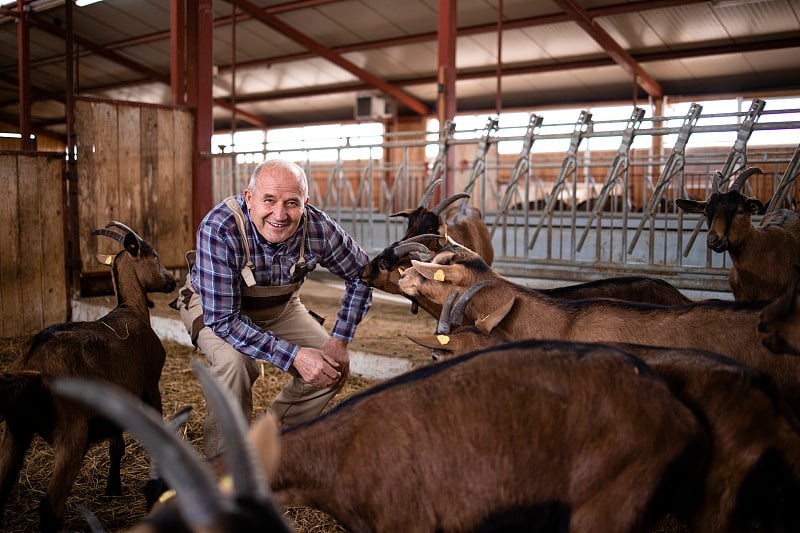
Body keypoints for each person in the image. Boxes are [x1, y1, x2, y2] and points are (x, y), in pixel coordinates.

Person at [176, 159, 373, 457]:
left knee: (331, 368)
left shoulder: (318, 228)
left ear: (305, 203)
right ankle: (224, 465)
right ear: (249, 197)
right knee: (236, 363)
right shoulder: (220, 229)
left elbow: (362, 274)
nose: (279, 215)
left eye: (291, 203)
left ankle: (270, 442)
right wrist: (294, 355)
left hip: (280, 307)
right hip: (214, 308)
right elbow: (225, 321)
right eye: (269, 200)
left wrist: (339, 339)